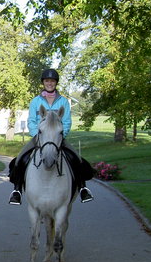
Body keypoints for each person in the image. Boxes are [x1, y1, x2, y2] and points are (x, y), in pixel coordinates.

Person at [8, 68, 94, 205]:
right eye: (47, 81)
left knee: (77, 159)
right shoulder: (35, 101)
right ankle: (17, 190)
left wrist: (59, 135)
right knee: (19, 159)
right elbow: (31, 120)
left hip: (57, 138)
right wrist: (38, 135)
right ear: (43, 82)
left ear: (56, 83)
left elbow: (66, 122)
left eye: (52, 81)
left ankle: (83, 188)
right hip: (39, 137)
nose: (49, 83)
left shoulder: (63, 102)